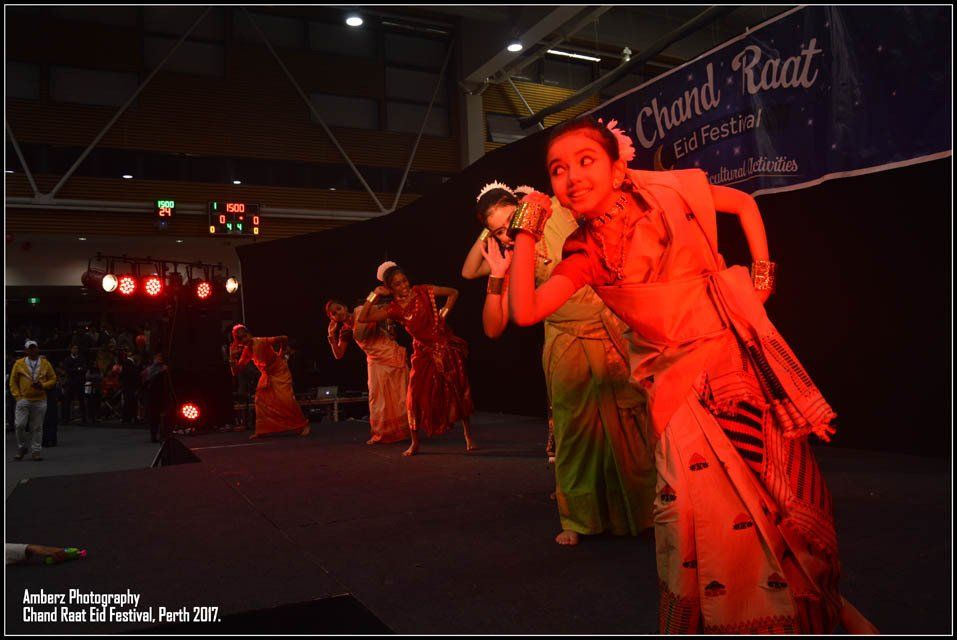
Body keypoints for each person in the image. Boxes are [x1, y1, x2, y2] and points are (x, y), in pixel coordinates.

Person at [507, 116, 877, 634]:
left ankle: (822, 612)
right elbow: (525, 311)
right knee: (696, 525)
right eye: (558, 170)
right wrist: (526, 227)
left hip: (735, 369)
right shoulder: (585, 251)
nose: (571, 177)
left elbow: (745, 205)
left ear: (617, 167)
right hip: (678, 396)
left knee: (780, 502)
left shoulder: (668, 193)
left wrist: (761, 280)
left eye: (585, 161)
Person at [462, 182, 655, 546]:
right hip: (566, 341)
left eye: (511, 223)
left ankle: (643, 510)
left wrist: (525, 207)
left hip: (609, 330)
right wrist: (495, 234)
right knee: (574, 433)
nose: (508, 234)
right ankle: (578, 519)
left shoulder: (555, 212)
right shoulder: (511, 254)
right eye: (499, 231)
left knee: (629, 426)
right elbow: (471, 277)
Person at [358, 262, 474, 457]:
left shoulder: (423, 291)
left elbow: (453, 292)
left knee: (456, 389)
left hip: (442, 346)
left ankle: (468, 435)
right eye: (397, 284)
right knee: (413, 397)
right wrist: (375, 293)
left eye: (404, 281)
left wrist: (441, 316)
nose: (403, 286)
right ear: (390, 288)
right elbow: (363, 318)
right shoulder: (393, 309)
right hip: (422, 354)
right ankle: (415, 443)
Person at [326, 298, 411, 445]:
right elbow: (339, 354)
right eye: (333, 314)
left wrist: (390, 325)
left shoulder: (362, 311)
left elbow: (386, 308)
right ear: (332, 318)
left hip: (389, 353)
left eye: (338, 309)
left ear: (345, 307)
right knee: (376, 398)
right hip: (374, 361)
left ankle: (405, 430)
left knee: (399, 394)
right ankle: (382, 432)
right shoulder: (345, 330)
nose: (337, 313)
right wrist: (331, 337)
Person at [231, 325, 310, 440]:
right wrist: (231, 357)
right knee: (260, 400)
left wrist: (282, 353)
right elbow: (236, 371)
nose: (245, 339)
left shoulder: (261, 341)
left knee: (286, 399)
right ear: (238, 341)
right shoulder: (247, 351)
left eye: (245, 335)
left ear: (249, 334)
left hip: (280, 371)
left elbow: (284, 337)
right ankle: (262, 430)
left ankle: (303, 425)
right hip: (267, 374)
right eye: (241, 338)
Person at [9, 340, 58, 461]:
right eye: (29, 348)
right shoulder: (19, 363)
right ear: (26, 351)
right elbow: (12, 381)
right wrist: (17, 396)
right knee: (19, 425)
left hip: (40, 399)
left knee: (37, 427)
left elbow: (53, 378)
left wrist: (43, 385)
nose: (32, 350)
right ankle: (22, 447)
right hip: (23, 399)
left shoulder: (45, 363)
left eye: (34, 348)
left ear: (37, 349)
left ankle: (36, 451)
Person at [141, 352, 169, 443]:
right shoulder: (153, 369)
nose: (159, 359)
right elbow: (148, 377)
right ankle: (154, 435)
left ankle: (160, 434)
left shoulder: (160, 368)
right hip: (153, 395)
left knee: (158, 416)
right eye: (158, 357)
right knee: (154, 417)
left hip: (159, 395)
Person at [60, 344, 88, 425]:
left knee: (82, 400)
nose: (75, 350)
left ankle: (84, 418)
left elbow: (84, 369)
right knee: (67, 401)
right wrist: (77, 369)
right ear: (71, 349)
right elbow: (67, 370)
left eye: (76, 348)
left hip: (79, 382)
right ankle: (66, 419)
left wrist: (74, 369)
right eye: (74, 348)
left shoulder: (81, 358)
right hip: (70, 382)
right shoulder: (67, 359)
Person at [117, 350, 141, 424]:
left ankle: (128, 418)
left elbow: (126, 375)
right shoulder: (130, 363)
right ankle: (130, 418)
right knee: (131, 402)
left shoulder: (127, 363)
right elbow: (133, 375)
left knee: (129, 402)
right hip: (131, 386)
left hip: (128, 386)